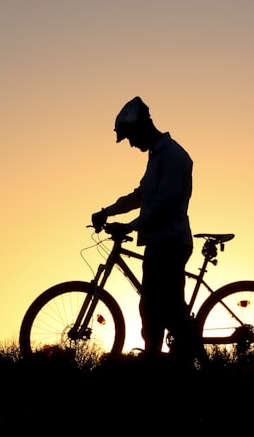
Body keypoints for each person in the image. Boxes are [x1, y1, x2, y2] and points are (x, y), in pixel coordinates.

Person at [91, 96, 198, 363]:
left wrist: (130, 225)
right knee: (151, 306)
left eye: (130, 136)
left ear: (141, 126)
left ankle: (195, 360)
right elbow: (142, 196)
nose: (130, 143)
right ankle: (156, 358)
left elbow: (163, 205)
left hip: (171, 242)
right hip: (158, 241)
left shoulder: (173, 155)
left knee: (167, 307)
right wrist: (108, 211)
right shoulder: (157, 156)